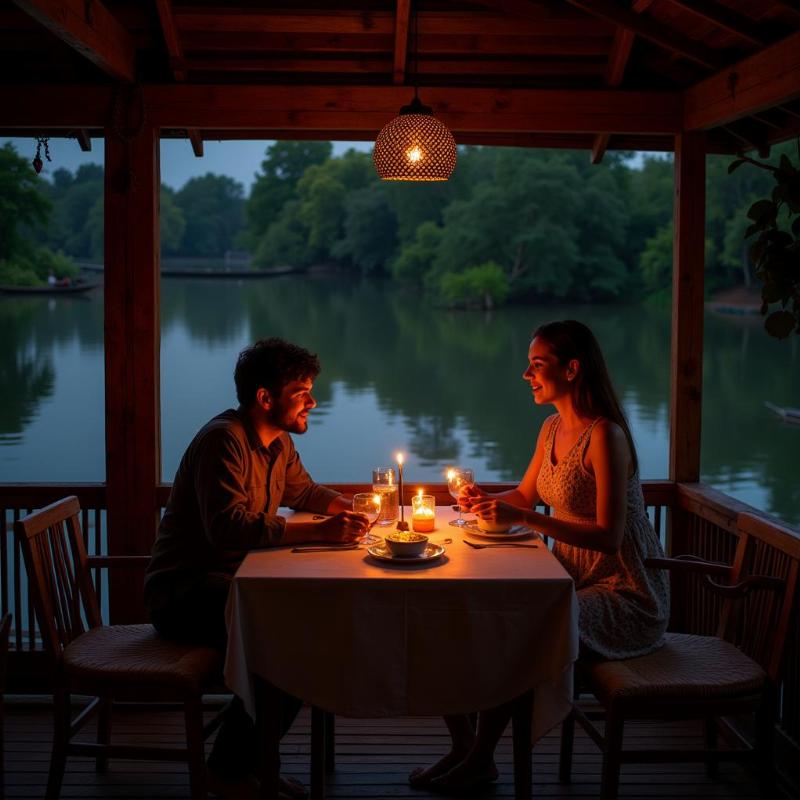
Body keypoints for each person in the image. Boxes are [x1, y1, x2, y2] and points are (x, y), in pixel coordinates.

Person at [410, 320, 669, 793]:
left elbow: (609, 537)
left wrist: (520, 517)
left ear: (572, 369)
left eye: (537, 365)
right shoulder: (551, 428)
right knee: (459, 617)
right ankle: (466, 743)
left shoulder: (605, 435)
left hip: (625, 596)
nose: (526, 375)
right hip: (568, 584)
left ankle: (480, 758)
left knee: (518, 631)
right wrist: (482, 499)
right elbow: (526, 495)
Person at [144, 338, 369, 798]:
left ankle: (248, 760)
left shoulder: (277, 441)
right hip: (183, 594)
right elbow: (228, 528)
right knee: (290, 644)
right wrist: (323, 533)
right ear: (265, 398)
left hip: (233, 586)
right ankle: (230, 770)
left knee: (299, 636)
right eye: (302, 392)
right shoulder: (223, 441)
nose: (313, 401)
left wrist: (357, 506)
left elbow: (304, 493)